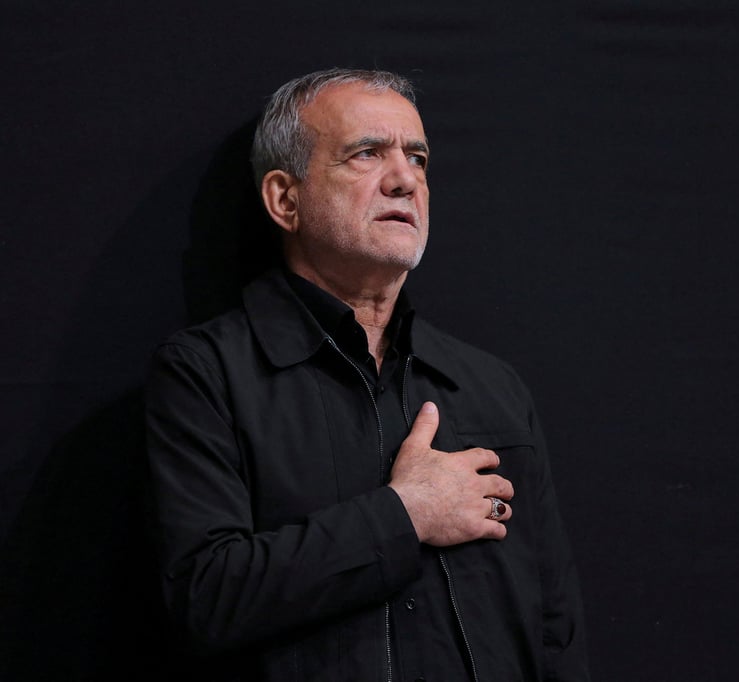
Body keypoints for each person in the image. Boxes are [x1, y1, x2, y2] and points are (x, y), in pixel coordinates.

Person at [145, 68, 589, 681]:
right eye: (367, 153)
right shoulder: (205, 373)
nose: (405, 179)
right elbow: (207, 599)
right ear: (285, 199)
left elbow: (555, 628)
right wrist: (406, 516)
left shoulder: (491, 385)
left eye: (418, 157)